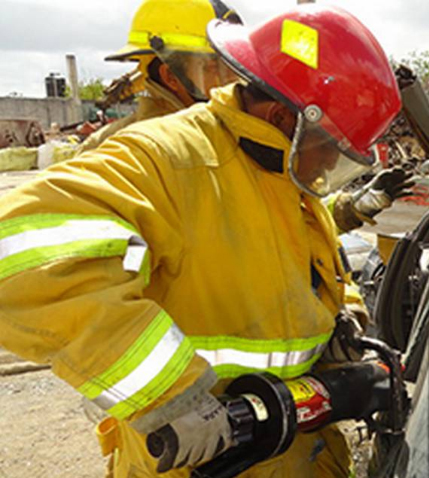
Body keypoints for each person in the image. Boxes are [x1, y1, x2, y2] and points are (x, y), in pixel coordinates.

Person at [0, 5, 400, 477]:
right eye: (330, 149)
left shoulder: (280, 169)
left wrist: (340, 322)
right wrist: (172, 397)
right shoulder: (169, 157)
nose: (332, 167)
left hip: (294, 452)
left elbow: (309, 263)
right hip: (203, 463)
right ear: (282, 117)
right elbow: (19, 257)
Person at [76, 0, 243, 154]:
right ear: (170, 76)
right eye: (214, 68)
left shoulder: (220, 128)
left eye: (232, 65)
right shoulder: (136, 151)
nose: (232, 79)